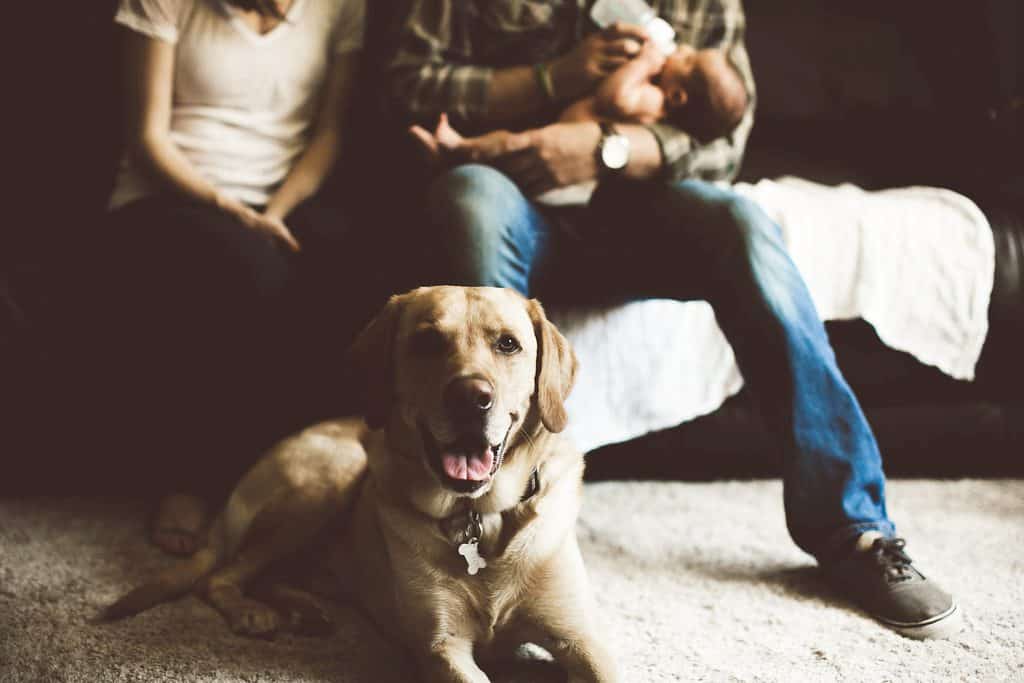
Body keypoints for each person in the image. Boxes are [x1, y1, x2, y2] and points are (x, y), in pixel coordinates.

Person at [386, 0, 962, 639]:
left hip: (646, 205)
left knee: (743, 223)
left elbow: (726, 137)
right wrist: (552, 80)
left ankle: (855, 530)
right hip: (508, 198)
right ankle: (490, 515)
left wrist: (607, 149)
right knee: (470, 197)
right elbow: (409, 81)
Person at [94, 0, 366, 556]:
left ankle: (324, 484)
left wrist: (276, 213)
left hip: (281, 197)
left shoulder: (343, 5)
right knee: (252, 275)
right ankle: (196, 481)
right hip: (170, 193)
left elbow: (330, 132)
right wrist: (230, 208)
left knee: (353, 265)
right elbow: (147, 139)